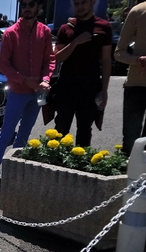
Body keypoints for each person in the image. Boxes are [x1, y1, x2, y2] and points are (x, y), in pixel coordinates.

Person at [0, 0, 55, 193]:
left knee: (24, 136)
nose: (27, 8)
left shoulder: (44, 32)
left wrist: (45, 79)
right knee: (6, 134)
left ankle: (14, 174)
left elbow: (49, 60)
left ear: (38, 7)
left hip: (36, 94)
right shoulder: (10, 33)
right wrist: (25, 80)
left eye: (31, 4)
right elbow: (4, 65)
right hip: (18, 92)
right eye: (24, 5)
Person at [52, 0, 112, 147]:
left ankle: (79, 165)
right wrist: (76, 42)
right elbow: (57, 58)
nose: (80, 7)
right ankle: (55, 166)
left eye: (83, 3)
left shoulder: (104, 27)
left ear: (92, 3)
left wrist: (104, 91)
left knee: (85, 130)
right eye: (77, 3)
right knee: (61, 129)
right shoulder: (66, 28)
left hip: (90, 87)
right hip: (66, 86)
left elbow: (106, 61)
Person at [114, 0, 146, 155]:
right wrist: (138, 60)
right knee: (130, 145)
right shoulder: (138, 11)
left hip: (135, 87)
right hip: (136, 85)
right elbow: (119, 52)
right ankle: (127, 178)